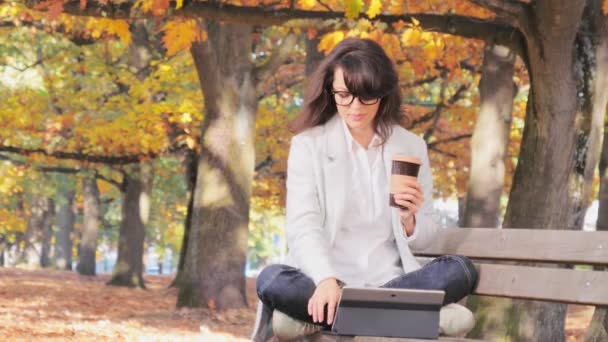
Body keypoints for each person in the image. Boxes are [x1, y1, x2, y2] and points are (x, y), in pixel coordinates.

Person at [251, 38, 478, 341]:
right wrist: (327, 279)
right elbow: (302, 226)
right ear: (331, 91)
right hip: (325, 281)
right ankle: (419, 317)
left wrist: (410, 221)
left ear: (382, 94)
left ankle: (335, 316)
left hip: (393, 283)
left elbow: (427, 235)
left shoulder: (410, 146)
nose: (354, 107)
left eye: (365, 97)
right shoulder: (309, 146)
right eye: (344, 95)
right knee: (271, 280)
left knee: (462, 270)